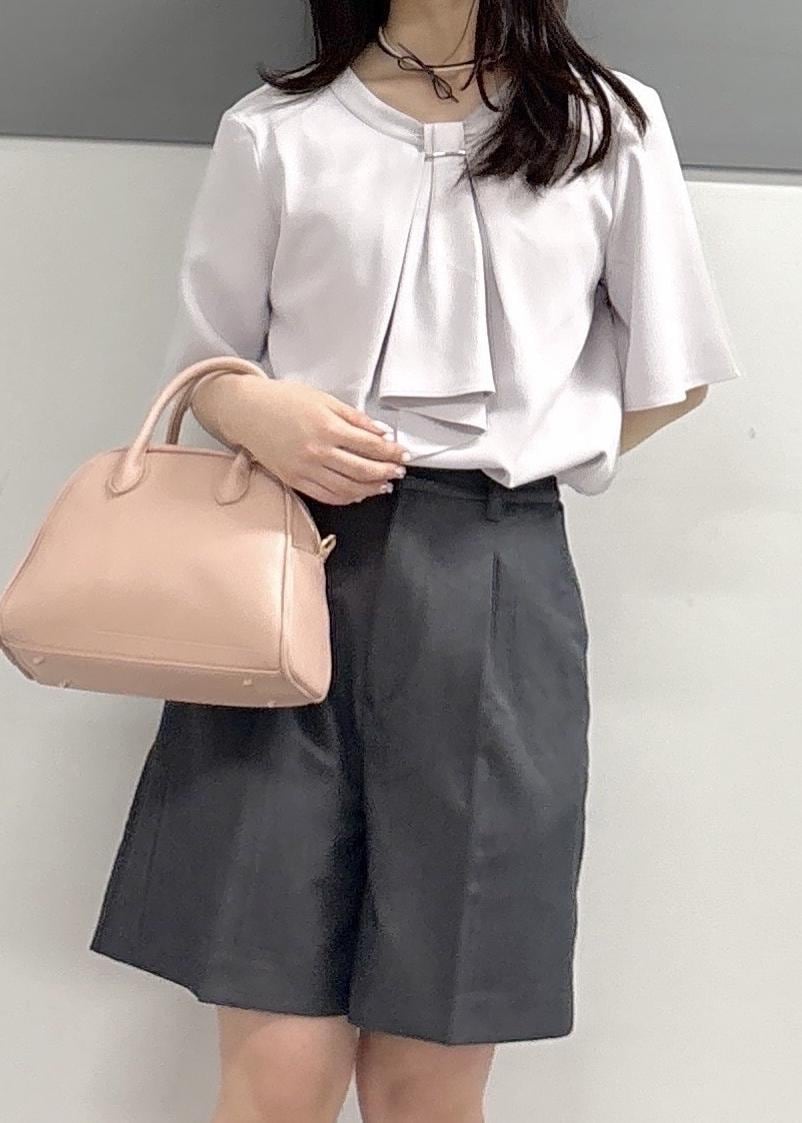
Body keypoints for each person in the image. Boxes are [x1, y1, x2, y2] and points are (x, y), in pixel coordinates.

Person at [89, 2, 742, 1120]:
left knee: (425, 1079)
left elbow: (672, 371)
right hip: (284, 577)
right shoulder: (277, 131)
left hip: (497, 587)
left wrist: (535, 448)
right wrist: (261, 413)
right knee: (279, 1070)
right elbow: (206, 366)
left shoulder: (607, 123)